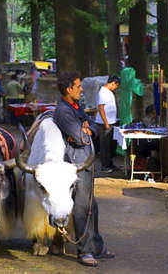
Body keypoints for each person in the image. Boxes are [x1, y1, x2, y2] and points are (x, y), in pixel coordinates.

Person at [53, 71, 115, 267]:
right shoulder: (63, 111)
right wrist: (85, 130)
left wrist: (87, 128)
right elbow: (82, 139)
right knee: (81, 208)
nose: (81, 89)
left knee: (92, 207)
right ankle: (84, 251)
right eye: (78, 86)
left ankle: (97, 246)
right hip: (76, 165)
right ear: (69, 89)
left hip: (86, 162)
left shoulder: (76, 106)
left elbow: (92, 129)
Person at [95, 75, 121, 173]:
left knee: (111, 144)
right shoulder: (103, 92)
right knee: (105, 145)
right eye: (116, 86)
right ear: (113, 83)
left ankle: (110, 163)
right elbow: (101, 108)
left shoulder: (108, 92)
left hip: (110, 121)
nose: (116, 88)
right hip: (104, 123)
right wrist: (106, 123)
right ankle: (105, 165)